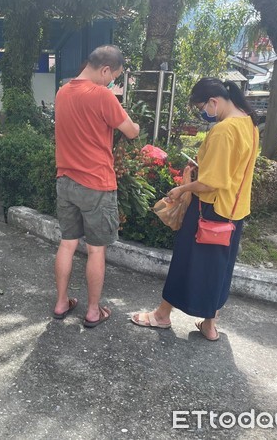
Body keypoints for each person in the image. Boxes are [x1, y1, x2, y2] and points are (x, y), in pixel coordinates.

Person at [131, 78, 259, 341]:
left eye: (202, 107)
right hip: (235, 211)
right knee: (219, 269)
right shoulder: (249, 122)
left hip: (210, 209)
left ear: (213, 101)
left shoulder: (224, 130)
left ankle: (162, 315)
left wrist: (182, 189)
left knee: (184, 261)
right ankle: (209, 325)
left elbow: (213, 181)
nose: (203, 113)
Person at [53, 45, 140, 328]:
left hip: (65, 180)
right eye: (113, 76)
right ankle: (92, 311)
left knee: (66, 245)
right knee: (95, 250)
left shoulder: (63, 92)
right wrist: (115, 102)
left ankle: (61, 302)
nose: (111, 81)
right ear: (105, 70)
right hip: (96, 184)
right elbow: (131, 131)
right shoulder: (102, 95)